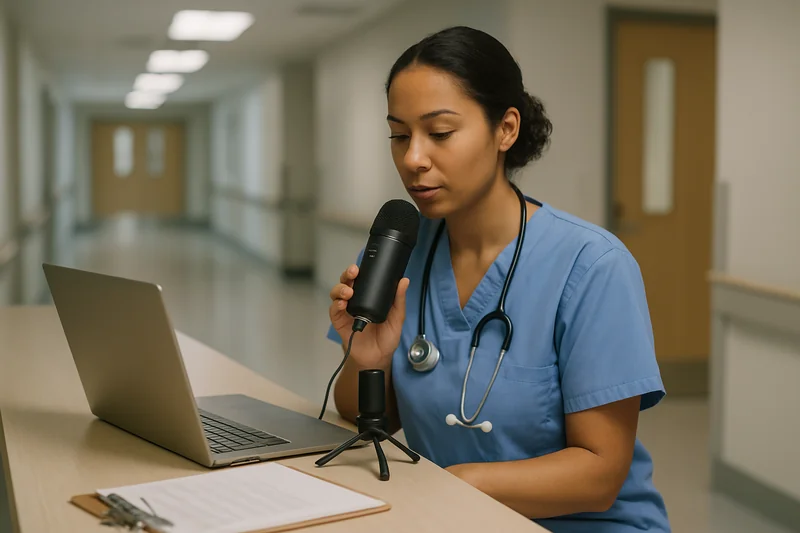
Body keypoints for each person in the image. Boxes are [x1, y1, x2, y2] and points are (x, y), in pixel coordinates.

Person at [325, 25, 670, 533]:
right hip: (451, 517)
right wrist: (366, 360)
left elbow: (600, 473)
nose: (413, 158)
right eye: (399, 135)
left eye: (439, 133)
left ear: (506, 129)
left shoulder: (591, 265)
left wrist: (462, 485)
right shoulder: (399, 252)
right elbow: (363, 417)